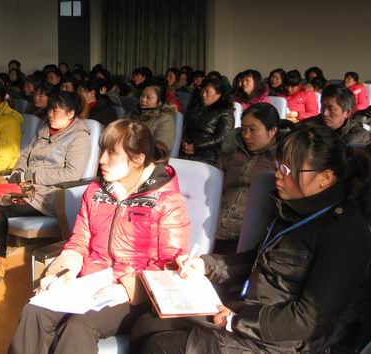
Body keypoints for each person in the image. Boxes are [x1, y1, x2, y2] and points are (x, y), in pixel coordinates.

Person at [131, 125, 371, 354]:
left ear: (325, 178)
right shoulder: (291, 208)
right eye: (278, 165)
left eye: (287, 170)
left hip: (282, 342)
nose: (278, 175)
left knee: (162, 346)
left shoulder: (345, 234)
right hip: (246, 312)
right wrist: (206, 265)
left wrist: (236, 321)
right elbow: (258, 260)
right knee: (146, 324)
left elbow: (307, 320)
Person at [8, 119, 190, 353]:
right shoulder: (96, 191)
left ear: (138, 159)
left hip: (134, 292)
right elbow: (79, 240)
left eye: (111, 153)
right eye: (102, 151)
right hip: (90, 282)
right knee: (35, 311)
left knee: (77, 327)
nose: (102, 159)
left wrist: (126, 288)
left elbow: (170, 263)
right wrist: (64, 272)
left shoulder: (166, 200)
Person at [0, 92, 91, 283]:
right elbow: (25, 155)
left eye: (56, 110)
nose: (50, 114)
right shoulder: (45, 128)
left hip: (49, 194)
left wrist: (32, 176)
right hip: (26, 187)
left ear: (70, 114)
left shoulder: (79, 137)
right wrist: (18, 172)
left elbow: (71, 173)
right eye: (50, 109)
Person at [215, 103, 280, 253]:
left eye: (252, 130)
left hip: (253, 231)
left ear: (272, 131)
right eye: (243, 129)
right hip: (218, 221)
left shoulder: (280, 160)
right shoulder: (231, 152)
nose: (246, 135)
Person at [180, 78, 234, 165]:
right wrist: (184, 143)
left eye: (207, 92)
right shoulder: (195, 107)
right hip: (186, 151)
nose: (203, 94)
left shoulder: (225, 112)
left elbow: (222, 137)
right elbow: (185, 128)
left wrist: (195, 146)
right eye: (202, 90)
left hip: (208, 155)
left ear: (219, 94)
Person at [301, 84, 371, 146]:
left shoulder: (358, 137)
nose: (325, 113)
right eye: (323, 106)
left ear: (347, 113)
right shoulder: (307, 126)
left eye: (331, 109)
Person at [131, 81, 177, 152]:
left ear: (160, 102)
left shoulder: (166, 120)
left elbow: (161, 149)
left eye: (148, 97)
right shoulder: (134, 114)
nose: (143, 100)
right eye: (142, 96)